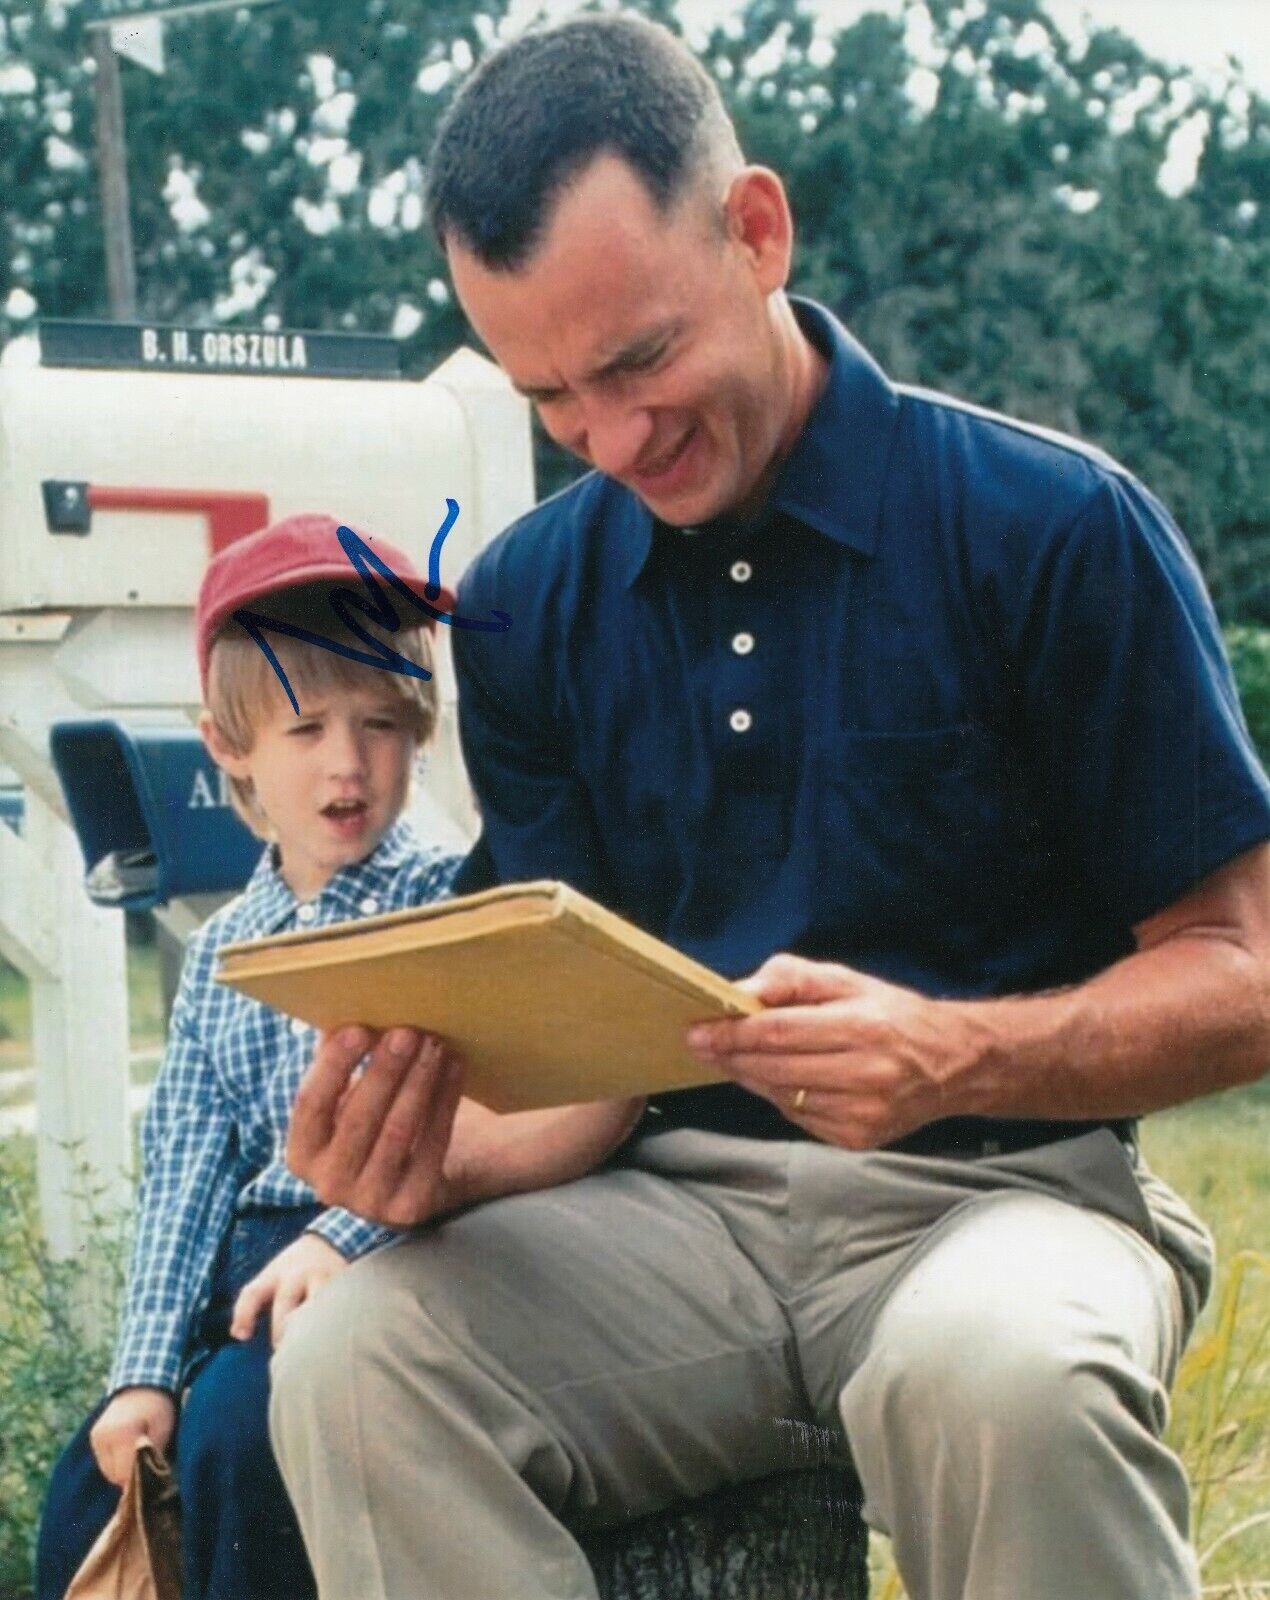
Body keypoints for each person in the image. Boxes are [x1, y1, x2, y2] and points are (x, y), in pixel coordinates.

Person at [267, 16, 1270, 1600]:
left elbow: (1241, 974)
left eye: (639, 359)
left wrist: (956, 1053)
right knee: (354, 1365)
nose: (611, 441)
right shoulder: (525, 598)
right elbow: (590, 1074)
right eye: (549, 399)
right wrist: (432, 1160)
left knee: (1010, 1377)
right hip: (667, 1228)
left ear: (754, 231)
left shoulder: (1055, 526)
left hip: (1004, 1200)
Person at [35, 513, 468, 1600]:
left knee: (241, 1434)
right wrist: (140, 1371)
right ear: (227, 745)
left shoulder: (446, 901)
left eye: (381, 724)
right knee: (97, 1474)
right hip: (243, 1271)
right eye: (305, 728)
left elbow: (459, 1121)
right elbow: (187, 1173)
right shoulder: (229, 945)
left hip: (391, 1245)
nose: (348, 763)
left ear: (419, 731)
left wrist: (336, 1231)